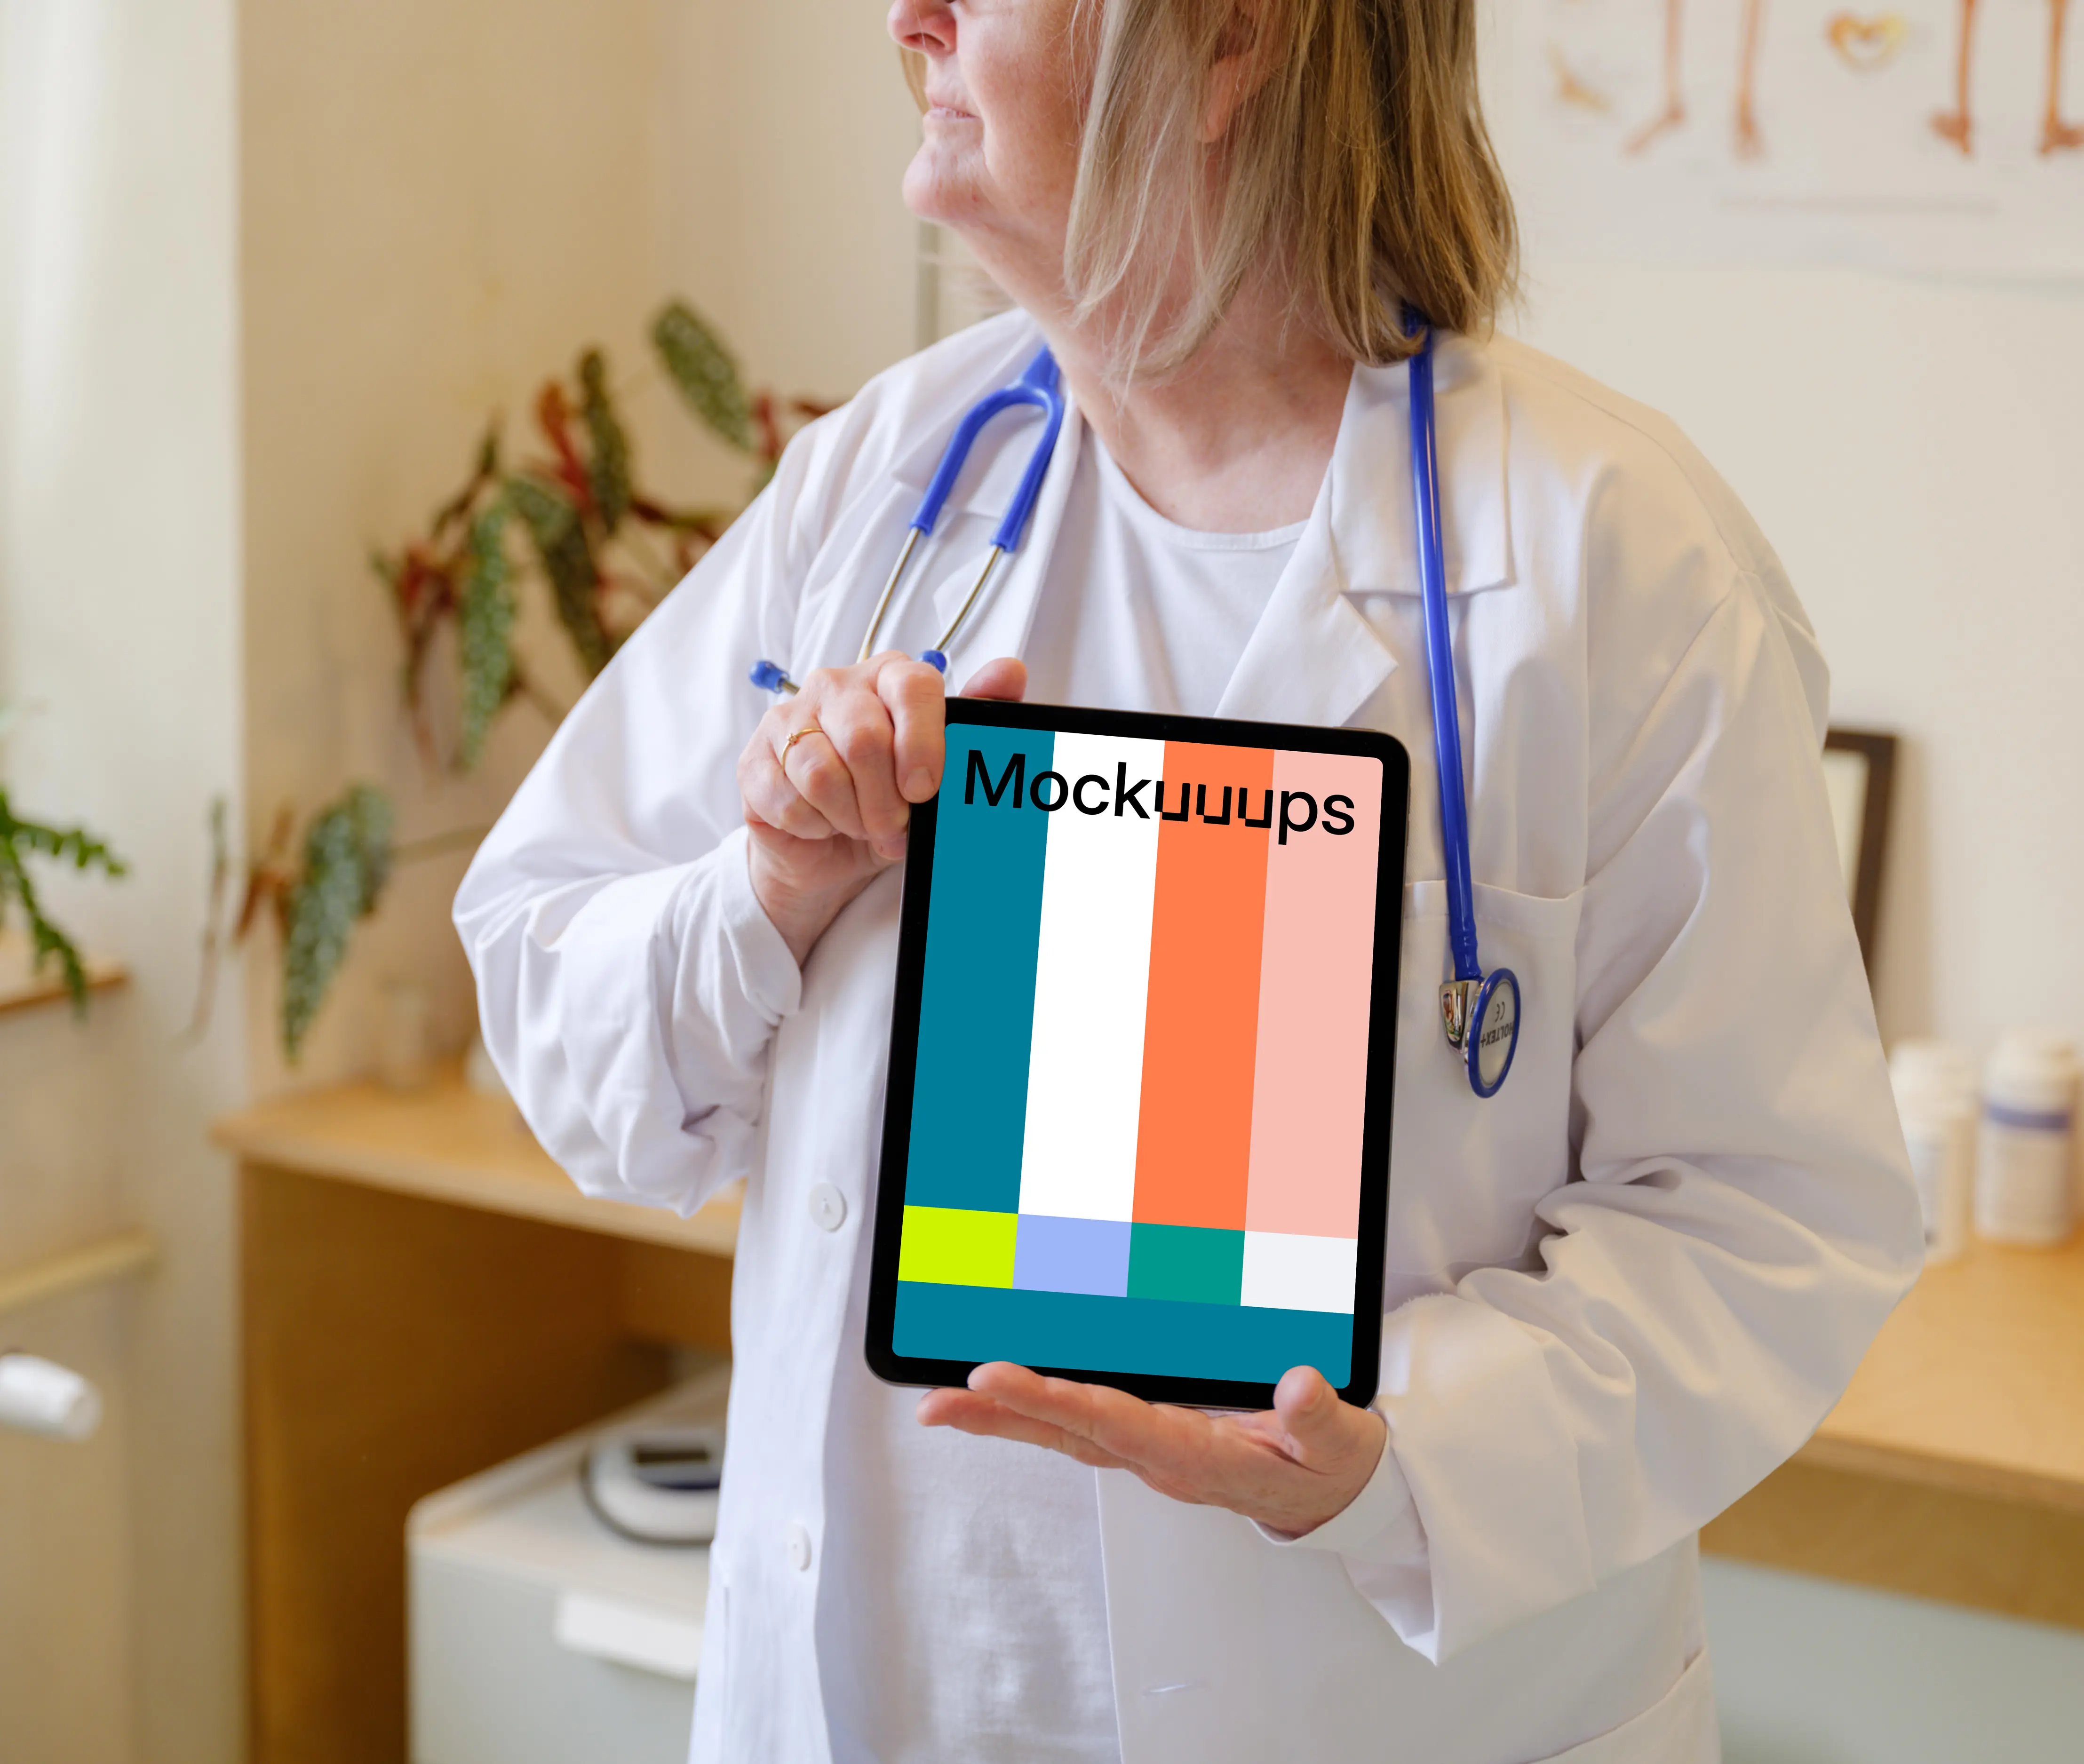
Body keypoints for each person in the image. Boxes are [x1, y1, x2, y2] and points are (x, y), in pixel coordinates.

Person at [454, 0, 1924, 1758]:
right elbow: (552, 992)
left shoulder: (1611, 561)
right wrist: (764, 889)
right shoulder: (891, 483)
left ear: (1231, 39)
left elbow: (1771, 1218)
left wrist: (1394, 1458)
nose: (906, 18)